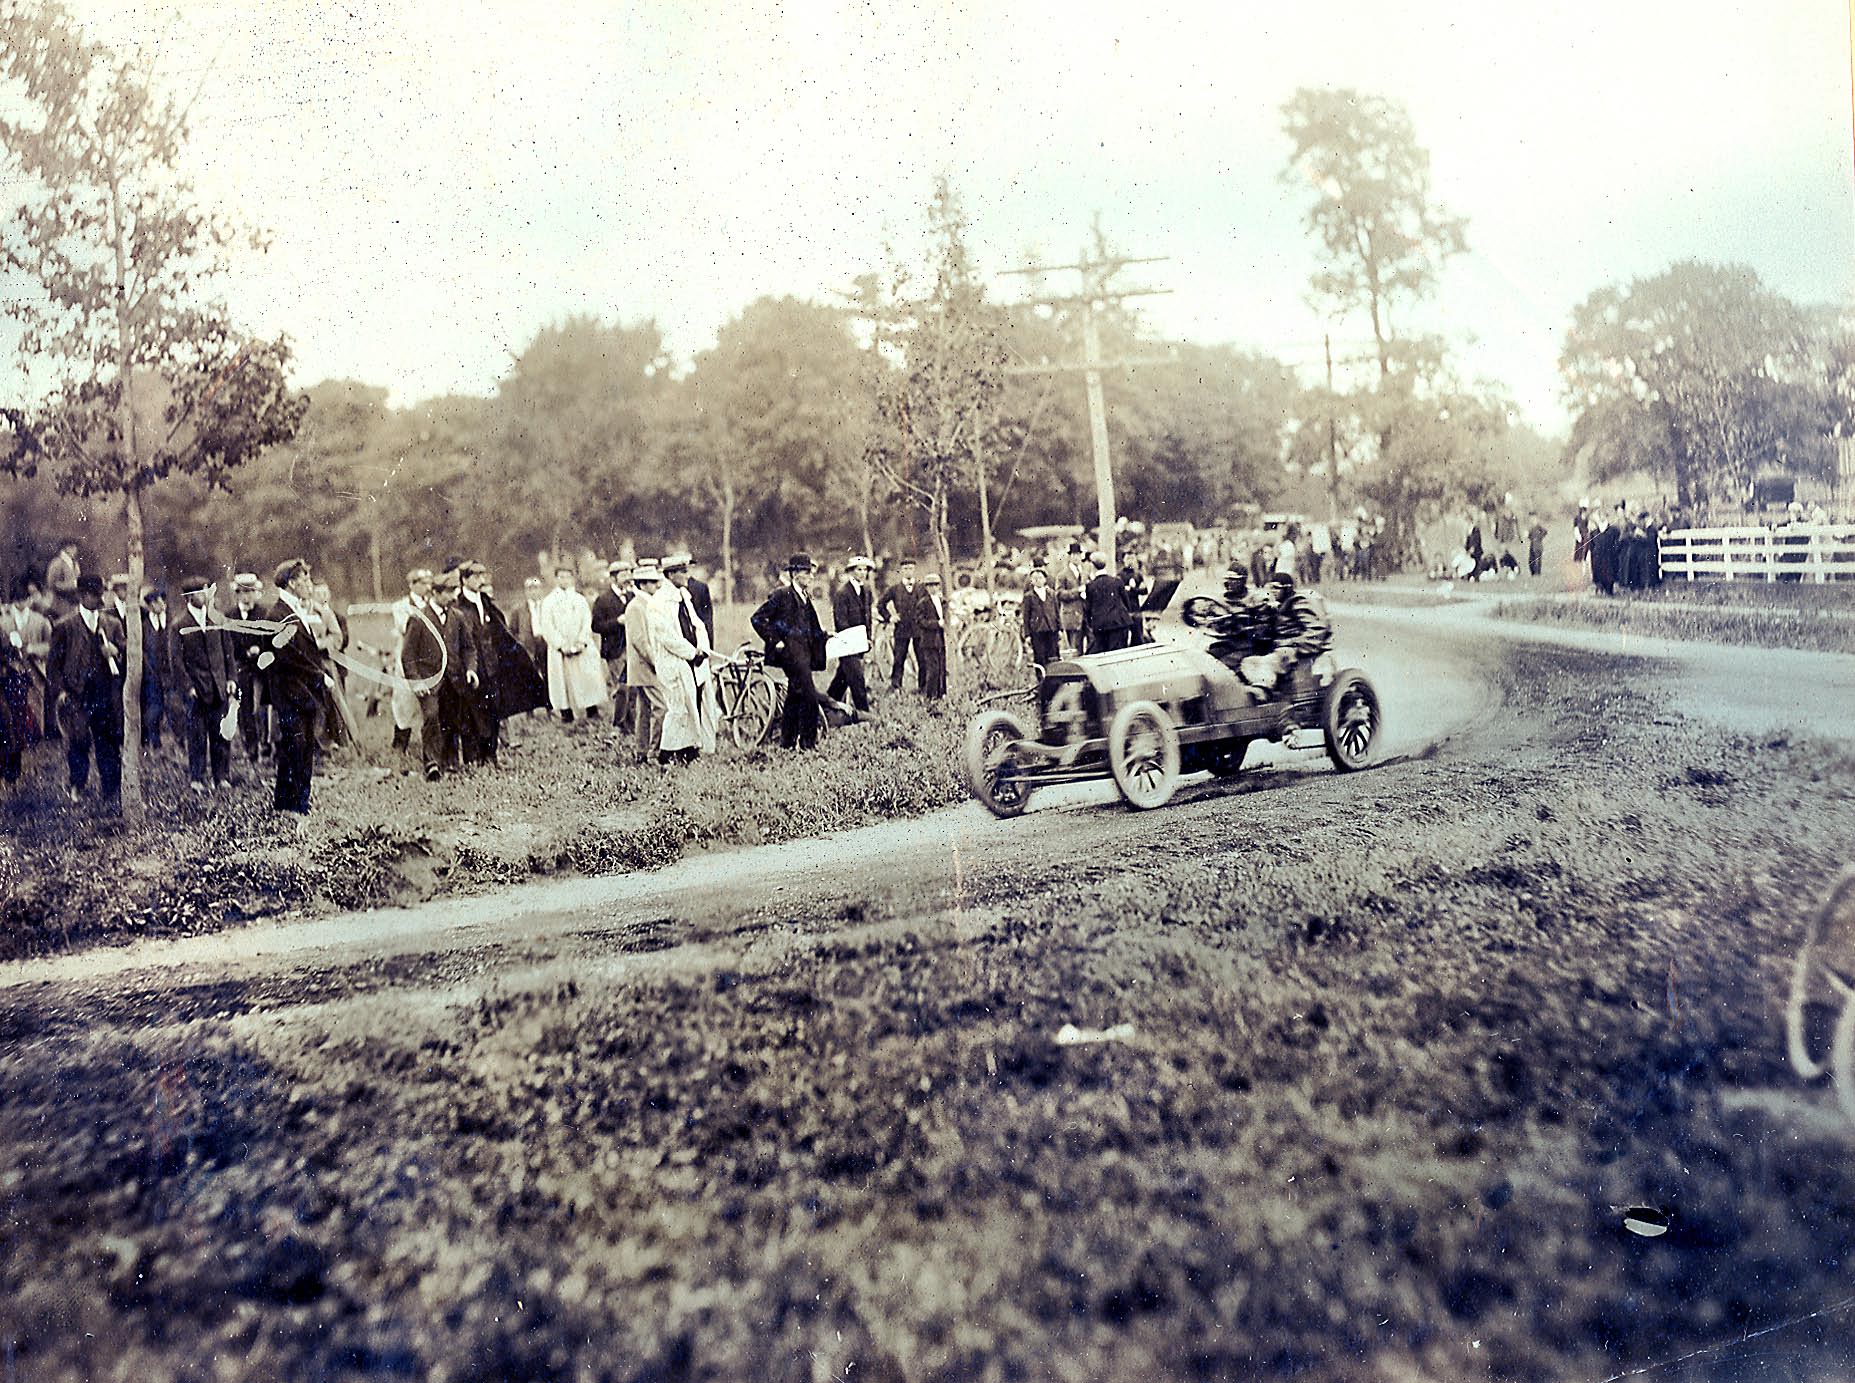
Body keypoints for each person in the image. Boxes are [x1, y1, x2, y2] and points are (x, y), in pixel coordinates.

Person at [47, 575, 125, 809]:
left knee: (108, 742)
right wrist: (61, 692)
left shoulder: (112, 624)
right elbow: (53, 666)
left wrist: (116, 651)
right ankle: (77, 786)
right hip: (76, 694)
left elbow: (125, 653)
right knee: (78, 741)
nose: (99, 600)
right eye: (94, 595)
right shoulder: (65, 626)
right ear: (82, 596)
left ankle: (111, 791)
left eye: (101, 594)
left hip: (105, 693)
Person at [258, 559, 328, 815]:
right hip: (290, 693)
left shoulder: (294, 610)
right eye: (305, 580)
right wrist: (320, 676)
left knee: (298, 748)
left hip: (301, 692)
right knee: (297, 749)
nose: (310, 585)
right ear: (291, 583)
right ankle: (297, 805)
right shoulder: (278, 615)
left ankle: (288, 803)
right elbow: (289, 658)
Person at [753, 553, 829, 749]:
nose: (811, 576)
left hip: (805, 654)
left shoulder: (805, 597)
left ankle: (786, 742)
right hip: (790, 656)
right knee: (809, 696)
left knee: (794, 696)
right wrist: (775, 640)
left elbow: (812, 625)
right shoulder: (781, 595)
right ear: (795, 574)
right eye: (807, 572)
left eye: (811, 572)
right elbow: (757, 619)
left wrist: (825, 635)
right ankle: (808, 744)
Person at [173, 574, 236, 793]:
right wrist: (188, 687)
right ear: (189, 597)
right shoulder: (179, 625)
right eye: (201, 592)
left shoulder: (218, 620)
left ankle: (221, 777)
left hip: (219, 686)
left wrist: (231, 678)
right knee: (197, 736)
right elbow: (176, 662)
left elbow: (228, 653)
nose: (206, 596)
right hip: (196, 690)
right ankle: (197, 779)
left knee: (221, 735)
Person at [652, 555, 717, 763]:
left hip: (692, 661)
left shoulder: (684, 597)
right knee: (678, 709)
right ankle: (666, 754)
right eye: (683, 572)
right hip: (673, 661)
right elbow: (667, 637)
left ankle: (689, 751)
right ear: (670, 574)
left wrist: (702, 647)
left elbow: (698, 625)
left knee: (694, 705)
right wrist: (691, 652)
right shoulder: (658, 602)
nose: (687, 575)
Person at [401, 569, 460, 780]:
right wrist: (416, 681)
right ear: (435, 593)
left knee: (451, 717)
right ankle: (432, 764)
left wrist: (468, 670)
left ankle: (451, 762)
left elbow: (467, 647)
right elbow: (407, 655)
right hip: (428, 682)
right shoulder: (418, 619)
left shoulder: (456, 616)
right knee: (432, 716)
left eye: (454, 591)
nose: (452, 597)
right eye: (448, 592)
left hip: (452, 680)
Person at [538, 566, 607, 724]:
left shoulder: (579, 599)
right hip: (561, 649)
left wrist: (581, 641)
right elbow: (547, 627)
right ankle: (566, 714)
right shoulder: (549, 602)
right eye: (561, 577)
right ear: (556, 579)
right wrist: (561, 645)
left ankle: (592, 710)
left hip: (580, 645)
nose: (564, 580)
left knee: (586, 677)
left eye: (567, 577)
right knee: (563, 682)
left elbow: (586, 621)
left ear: (572, 579)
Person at [1254, 571, 1332, 693]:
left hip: (1296, 649)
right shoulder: (1276, 605)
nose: (1273, 591)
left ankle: (1261, 690)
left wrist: (1292, 643)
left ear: (1287, 589)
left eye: (1277, 588)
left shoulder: (1299, 603)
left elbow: (1316, 630)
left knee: (1269, 662)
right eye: (1271, 588)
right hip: (1283, 647)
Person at [228, 572, 272, 768]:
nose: (247, 597)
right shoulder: (230, 616)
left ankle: (266, 745)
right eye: (243, 592)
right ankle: (251, 750)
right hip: (242, 669)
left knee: (263, 708)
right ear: (237, 594)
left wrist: (260, 649)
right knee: (245, 710)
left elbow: (270, 639)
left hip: (262, 669)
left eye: (250, 592)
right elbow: (229, 645)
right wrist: (245, 652)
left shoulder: (264, 613)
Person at [388, 569, 433, 753]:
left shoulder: (432, 604)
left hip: (428, 658)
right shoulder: (401, 606)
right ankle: (400, 744)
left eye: (429, 583)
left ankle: (429, 743)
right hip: (408, 658)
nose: (428, 587)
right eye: (423, 583)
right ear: (412, 584)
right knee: (404, 701)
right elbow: (403, 627)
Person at [825, 554, 875, 713]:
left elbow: (868, 617)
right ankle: (864, 713)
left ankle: (826, 705)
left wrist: (868, 638)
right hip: (847, 643)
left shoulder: (866, 591)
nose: (862, 573)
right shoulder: (842, 593)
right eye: (859, 569)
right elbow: (841, 621)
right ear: (851, 571)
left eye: (865, 570)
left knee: (842, 677)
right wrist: (853, 639)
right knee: (857, 678)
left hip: (860, 643)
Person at [623, 565, 664, 757]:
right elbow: (639, 641)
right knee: (661, 708)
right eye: (653, 582)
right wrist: (657, 663)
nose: (656, 585)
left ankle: (642, 751)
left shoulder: (647, 604)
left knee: (645, 710)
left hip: (646, 666)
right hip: (645, 667)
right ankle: (654, 751)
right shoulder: (635, 607)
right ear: (643, 584)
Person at [590, 559, 632, 715]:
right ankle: (622, 721)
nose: (627, 578)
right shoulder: (603, 600)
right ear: (613, 578)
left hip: (632, 648)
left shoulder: (631, 596)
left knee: (634, 687)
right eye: (623, 575)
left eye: (628, 574)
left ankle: (632, 720)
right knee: (621, 688)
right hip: (615, 651)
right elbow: (596, 626)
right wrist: (617, 622)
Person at [878, 558, 921, 690]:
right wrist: (890, 617)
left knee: (922, 658)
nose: (908, 571)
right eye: (905, 569)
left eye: (911, 568)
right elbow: (880, 604)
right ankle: (896, 686)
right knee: (899, 658)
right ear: (901, 571)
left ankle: (923, 687)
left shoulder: (921, 588)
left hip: (918, 628)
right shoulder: (895, 589)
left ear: (914, 570)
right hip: (902, 628)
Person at [139, 585, 172, 753]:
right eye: (156, 601)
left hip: (171, 673)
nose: (160, 604)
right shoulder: (144, 626)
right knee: (153, 708)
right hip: (151, 673)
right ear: (150, 605)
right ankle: (154, 742)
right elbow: (143, 652)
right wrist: (148, 669)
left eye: (161, 600)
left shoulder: (171, 623)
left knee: (175, 707)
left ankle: (179, 742)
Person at [1082, 553, 1133, 652]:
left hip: (1101, 627)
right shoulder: (1117, 581)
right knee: (1119, 655)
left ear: (1093, 566)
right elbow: (1127, 603)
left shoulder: (1091, 586)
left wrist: (1091, 624)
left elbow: (1088, 609)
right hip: (1119, 623)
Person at [1020, 566, 1061, 669]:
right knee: (1039, 657)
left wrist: (1060, 629)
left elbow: (1057, 612)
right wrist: (1027, 634)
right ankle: (1041, 676)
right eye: (1035, 578)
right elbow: (1026, 616)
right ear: (1032, 581)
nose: (1038, 580)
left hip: (1052, 629)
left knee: (1053, 655)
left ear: (1045, 579)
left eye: (1040, 578)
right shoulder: (1029, 596)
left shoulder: (1052, 594)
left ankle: (1053, 675)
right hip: (1037, 631)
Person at [914, 572, 947, 699]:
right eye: (930, 585)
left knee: (941, 668)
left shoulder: (942, 601)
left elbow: (946, 614)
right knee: (933, 670)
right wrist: (936, 624)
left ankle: (941, 693)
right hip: (928, 641)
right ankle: (930, 695)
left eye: (936, 585)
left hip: (940, 640)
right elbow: (920, 621)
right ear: (926, 588)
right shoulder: (923, 603)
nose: (933, 588)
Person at [1054, 542, 1088, 655]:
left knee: (1091, 645)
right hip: (1071, 616)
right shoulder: (1062, 575)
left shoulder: (1085, 572)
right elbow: (1059, 594)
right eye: (1073, 555)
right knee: (1075, 649)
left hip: (1086, 615)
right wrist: (1077, 591)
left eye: (1078, 554)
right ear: (1069, 557)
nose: (1076, 557)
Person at [44, 539, 80, 618]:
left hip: (72, 603)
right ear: (67, 548)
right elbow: (52, 584)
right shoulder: (57, 563)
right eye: (73, 547)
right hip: (59, 604)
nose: (75, 550)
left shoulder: (75, 563)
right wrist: (73, 585)